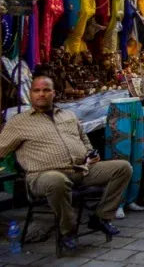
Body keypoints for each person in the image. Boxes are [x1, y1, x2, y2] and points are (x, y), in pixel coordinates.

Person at [0, 73, 132, 250]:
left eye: (46, 90)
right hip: (43, 176)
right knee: (57, 180)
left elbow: (83, 139)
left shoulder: (68, 114)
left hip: (80, 169)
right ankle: (67, 231)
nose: (41, 94)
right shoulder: (18, 122)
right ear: (30, 94)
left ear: (54, 93)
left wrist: (90, 153)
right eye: (36, 90)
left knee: (123, 168)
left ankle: (100, 217)